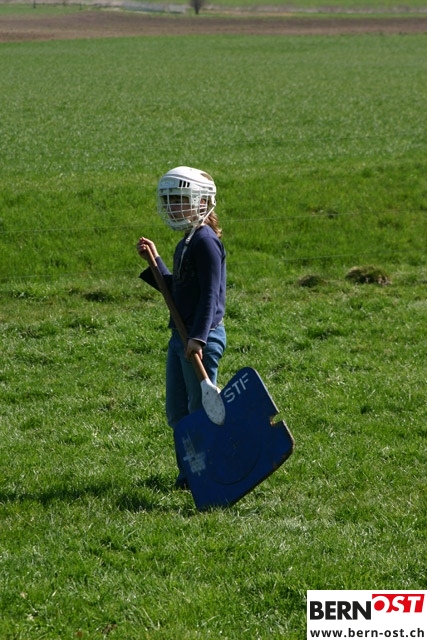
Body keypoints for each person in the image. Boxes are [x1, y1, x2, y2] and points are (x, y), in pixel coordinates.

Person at [137, 166, 226, 489]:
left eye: (180, 199)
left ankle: (212, 473)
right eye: (170, 200)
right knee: (177, 412)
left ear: (202, 202)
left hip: (200, 338)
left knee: (199, 410)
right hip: (181, 337)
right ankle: (190, 474)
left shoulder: (206, 242)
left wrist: (198, 339)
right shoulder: (185, 242)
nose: (173, 206)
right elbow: (179, 291)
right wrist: (155, 262)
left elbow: (210, 296)